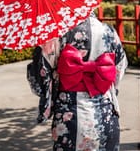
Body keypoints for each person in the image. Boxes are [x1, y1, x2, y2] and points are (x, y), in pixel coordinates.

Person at [27, 12, 127, 151]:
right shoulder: (109, 31)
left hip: (69, 114)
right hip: (105, 113)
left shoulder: (55, 34)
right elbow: (119, 69)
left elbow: (40, 78)